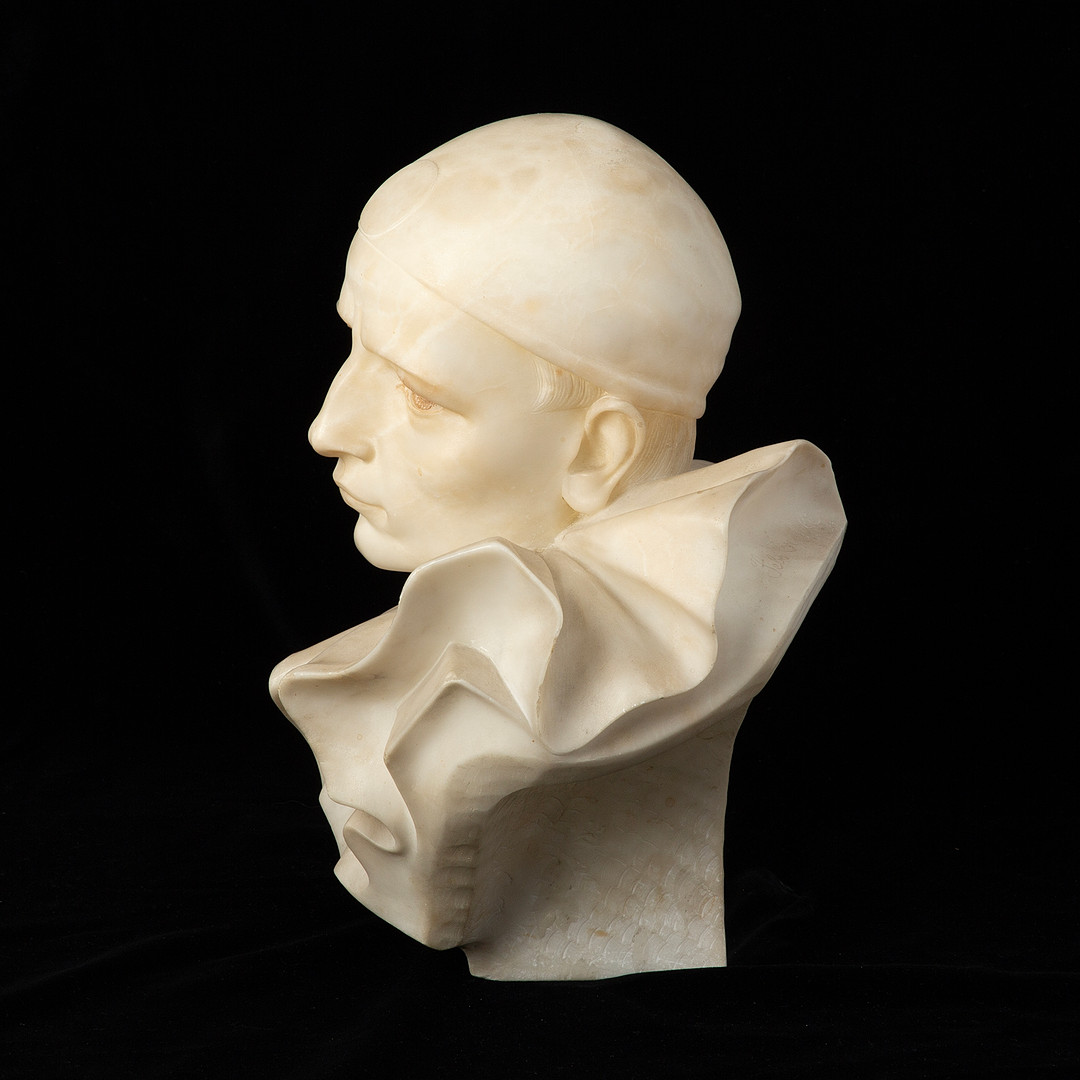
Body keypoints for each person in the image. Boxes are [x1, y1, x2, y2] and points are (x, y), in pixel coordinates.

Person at [270, 114, 845, 980]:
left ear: (597, 452)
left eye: (421, 395)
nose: (328, 427)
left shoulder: (652, 645)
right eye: (355, 346)